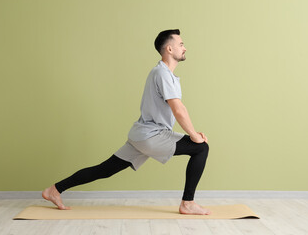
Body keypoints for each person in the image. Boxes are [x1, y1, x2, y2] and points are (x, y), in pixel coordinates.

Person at [42, 29, 210, 215]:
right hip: (152, 136)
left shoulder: (162, 73)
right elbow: (178, 109)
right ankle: (187, 203)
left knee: (104, 169)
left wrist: (193, 135)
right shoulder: (162, 74)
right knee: (201, 148)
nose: (184, 48)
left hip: (141, 135)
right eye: (181, 44)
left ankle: (54, 190)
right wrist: (194, 136)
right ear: (169, 49)